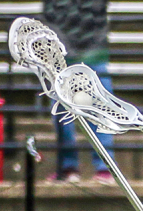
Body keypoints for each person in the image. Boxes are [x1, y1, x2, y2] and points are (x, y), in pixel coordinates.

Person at [42, 0, 114, 184]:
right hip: (85, 46)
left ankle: (73, 167)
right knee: (95, 107)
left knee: (86, 107)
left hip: (79, 46)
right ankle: (99, 167)